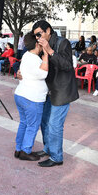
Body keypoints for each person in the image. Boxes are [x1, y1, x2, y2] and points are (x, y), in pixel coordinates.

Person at [31, 20, 79, 167]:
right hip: (48, 90)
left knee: (54, 124)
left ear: (48, 31)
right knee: (44, 121)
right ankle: (48, 149)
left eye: (39, 34)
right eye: (36, 36)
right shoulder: (40, 44)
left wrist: (50, 51)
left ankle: (57, 157)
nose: (38, 37)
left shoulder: (62, 43)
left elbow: (67, 65)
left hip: (62, 90)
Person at [14, 32, 49, 161]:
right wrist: (45, 55)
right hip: (32, 98)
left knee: (24, 123)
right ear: (36, 43)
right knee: (32, 126)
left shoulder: (26, 55)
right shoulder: (35, 58)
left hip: (21, 95)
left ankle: (19, 149)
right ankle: (25, 150)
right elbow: (43, 74)